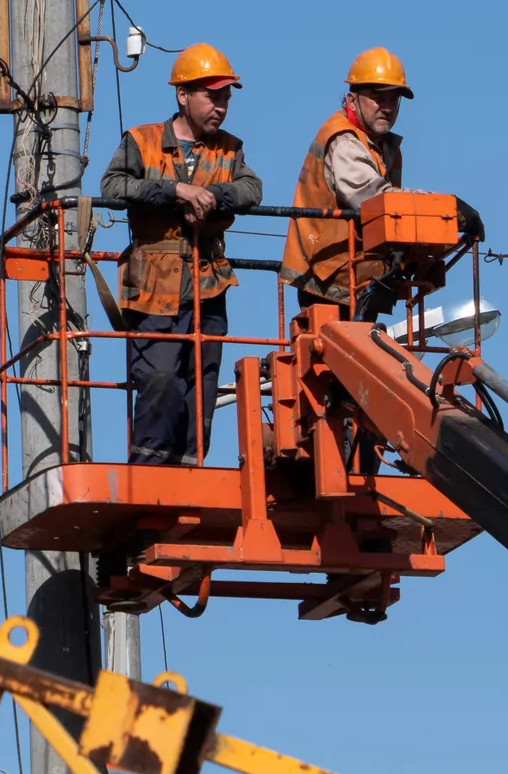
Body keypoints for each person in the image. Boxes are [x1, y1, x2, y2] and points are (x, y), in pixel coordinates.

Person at [100, 44, 262, 466]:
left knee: (201, 384)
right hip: (153, 283)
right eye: (212, 96)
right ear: (183, 95)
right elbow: (113, 186)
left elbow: (251, 189)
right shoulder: (142, 141)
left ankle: (191, 469)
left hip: (208, 284)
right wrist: (175, 192)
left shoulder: (230, 149)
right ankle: (150, 472)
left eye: (225, 97)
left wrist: (212, 196)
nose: (220, 106)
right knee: (159, 377)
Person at [280, 47, 483, 319]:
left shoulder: (379, 145)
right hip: (329, 282)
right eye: (377, 98)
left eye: (393, 100)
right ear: (352, 100)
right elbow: (378, 201)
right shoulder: (343, 141)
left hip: (357, 281)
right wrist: (448, 209)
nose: (387, 108)